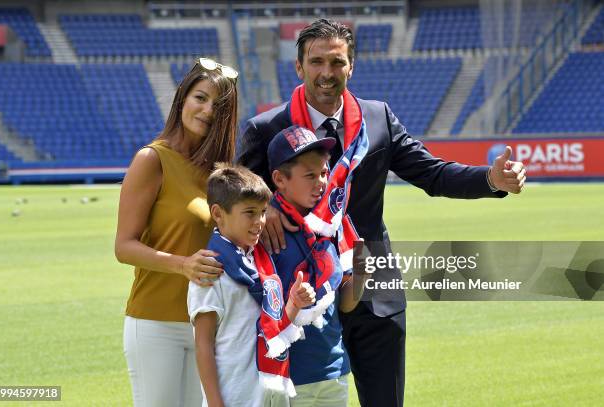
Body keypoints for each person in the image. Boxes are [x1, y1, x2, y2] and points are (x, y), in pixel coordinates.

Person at [236, 19, 526, 407]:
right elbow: (233, 196)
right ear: (298, 67)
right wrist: (266, 203)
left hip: (373, 283)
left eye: (337, 62)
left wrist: (489, 179)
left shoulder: (378, 119)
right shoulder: (266, 127)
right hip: (299, 296)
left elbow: (432, 173)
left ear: (351, 66)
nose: (327, 73)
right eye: (317, 62)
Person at [115, 57, 239, 406]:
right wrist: (183, 265)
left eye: (219, 105)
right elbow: (124, 247)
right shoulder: (151, 160)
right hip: (156, 322)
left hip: (208, 325)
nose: (207, 110)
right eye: (200, 98)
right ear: (182, 99)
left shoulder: (219, 172)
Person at [188, 164, 316, 407]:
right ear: (218, 213)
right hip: (234, 397)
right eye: (250, 212)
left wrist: (294, 304)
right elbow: (203, 344)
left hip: (270, 394)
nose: (260, 221)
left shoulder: (261, 263)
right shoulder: (211, 270)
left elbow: (272, 329)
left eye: (263, 211)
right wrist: (216, 403)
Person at [266, 125, 367, 406]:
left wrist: (360, 275)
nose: (321, 182)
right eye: (310, 175)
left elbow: (344, 305)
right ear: (279, 179)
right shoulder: (264, 229)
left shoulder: (332, 225)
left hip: (333, 369)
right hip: (284, 376)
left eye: (324, 173)